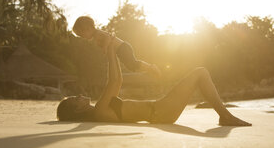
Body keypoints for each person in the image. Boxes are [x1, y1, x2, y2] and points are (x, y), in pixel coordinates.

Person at [57, 38, 251, 126]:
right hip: (160, 112)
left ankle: (224, 115)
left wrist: (113, 52)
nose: (81, 96)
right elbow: (114, 80)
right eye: (76, 99)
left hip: (160, 110)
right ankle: (224, 116)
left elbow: (117, 82)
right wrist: (110, 51)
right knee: (200, 72)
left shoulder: (100, 110)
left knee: (200, 73)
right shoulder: (99, 111)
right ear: (77, 110)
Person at [72, 15, 161, 78]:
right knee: (131, 67)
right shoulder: (95, 36)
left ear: (88, 28)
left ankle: (151, 67)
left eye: (82, 34)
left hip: (123, 48)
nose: (83, 37)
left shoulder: (97, 33)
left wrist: (105, 47)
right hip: (121, 50)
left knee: (133, 64)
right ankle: (149, 70)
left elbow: (107, 37)